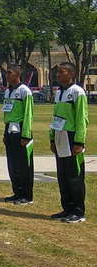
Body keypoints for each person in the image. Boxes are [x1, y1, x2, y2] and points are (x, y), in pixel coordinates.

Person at [49, 62, 88, 223]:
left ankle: (78, 211)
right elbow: (55, 117)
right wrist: (52, 137)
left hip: (72, 137)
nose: (58, 75)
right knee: (63, 175)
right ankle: (67, 208)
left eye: (62, 72)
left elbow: (81, 119)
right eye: (57, 72)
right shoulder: (59, 93)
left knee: (74, 175)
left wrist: (79, 141)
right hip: (60, 135)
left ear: (71, 74)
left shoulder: (77, 92)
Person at [2, 64, 34, 205]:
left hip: (21, 130)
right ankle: (17, 192)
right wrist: (5, 131)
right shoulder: (7, 91)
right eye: (6, 73)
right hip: (9, 129)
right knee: (12, 164)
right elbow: (7, 113)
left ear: (17, 74)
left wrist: (25, 135)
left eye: (9, 73)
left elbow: (28, 114)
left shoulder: (24, 91)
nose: (7, 75)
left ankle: (26, 196)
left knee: (23, 165)